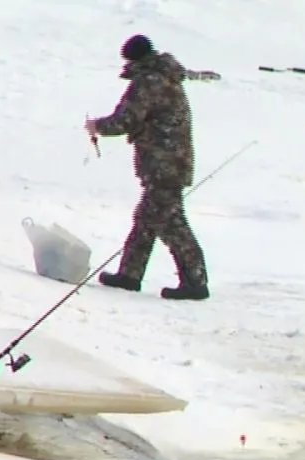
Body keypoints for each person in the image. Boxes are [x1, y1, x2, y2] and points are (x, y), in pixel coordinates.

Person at [86, 34, 210, 301]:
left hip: (163, 165)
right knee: (147, 219)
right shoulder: (164, 77)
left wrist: (98, 126)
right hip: (170, 163)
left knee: (171, 223)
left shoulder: (150, 81)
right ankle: (129, 275)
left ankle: (195, 282)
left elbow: (126, 120)